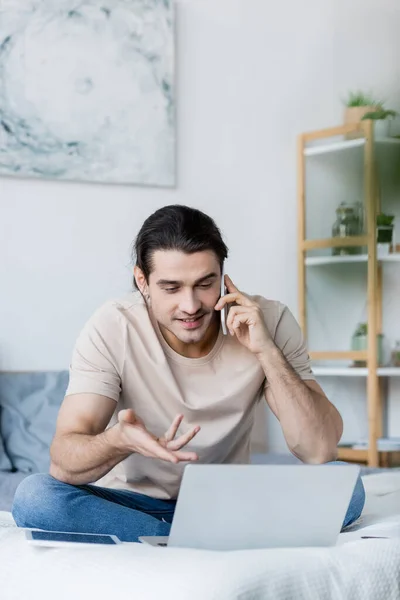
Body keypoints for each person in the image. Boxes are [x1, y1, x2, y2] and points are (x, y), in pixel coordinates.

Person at [12, 205, 365, 541]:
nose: (191, 305)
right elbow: (63, 464)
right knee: (35, 497)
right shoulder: (113, 325)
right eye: (171, 288)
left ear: (223, 276)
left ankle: (177, 541)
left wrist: (267, 352)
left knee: (346, 485)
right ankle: (191, 541)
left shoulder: (266, 320)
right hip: (132, 505)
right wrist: (118, 440)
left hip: (228, 502)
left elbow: (319, 450)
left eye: (204, 284)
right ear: (142, 281)